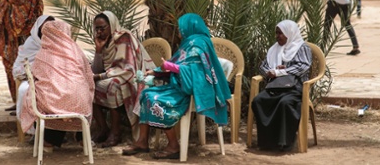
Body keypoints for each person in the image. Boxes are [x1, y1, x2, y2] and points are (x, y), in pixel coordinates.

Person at [122, 13, 232, 159]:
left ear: (189, 27)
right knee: (145, 94)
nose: (179, 31)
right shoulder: (189, 42)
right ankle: (142, 141)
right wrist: (155, 72)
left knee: (154, 99)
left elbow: (197, 72)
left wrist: (170, 66)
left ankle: (173, 145)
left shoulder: (199, 43)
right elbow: (179, 64)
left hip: (192, 90)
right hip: (179, 85)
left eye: (181, 27)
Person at [20, 20, 95, 149]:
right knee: (80, 93)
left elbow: (36, 78)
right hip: (80, 106)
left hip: (52, 105)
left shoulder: (42, 55)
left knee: (37, 95)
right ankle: (82, 139)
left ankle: (48, 141)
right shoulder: (77, 53)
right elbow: (89, 78)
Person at [91, 11, 155, 148]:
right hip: (114, 75)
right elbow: (96, 69)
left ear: (112, 25)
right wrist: (98, 50)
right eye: (97, 28)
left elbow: (127, 69)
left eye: (103, 28)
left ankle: (116, 132)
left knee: (112, 86)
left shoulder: (123, 38)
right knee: (88, 85)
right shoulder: (103, 41)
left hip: (133, 76)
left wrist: (100, 76)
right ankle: (103, 128)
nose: (99, 32)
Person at [251, 19, 312, 151]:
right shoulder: (274, 49)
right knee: (258, 101)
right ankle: (267, 142)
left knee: (285, 103)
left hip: (294, 88)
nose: (277, 36)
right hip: (275, 86)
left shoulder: (302, 47)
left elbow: (304, 66)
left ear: (289, 33)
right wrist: (270, 72)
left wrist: (282, 71)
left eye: (280, 33)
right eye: (276, 33)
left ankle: (284, 142)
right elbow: (263, 66)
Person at [0, 0, 44, 110]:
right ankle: (16, 101)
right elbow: (4, 1)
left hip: (23, 35)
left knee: (24, 67)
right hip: (9, 35)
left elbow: (19, 1)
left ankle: (27, 103)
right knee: (9, 65)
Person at [13, 15, 54, 119]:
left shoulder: (58, 44)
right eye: (45, 28)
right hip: (32, 80)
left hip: (55, 81)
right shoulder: (31, 44)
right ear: (39, 29)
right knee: (24, 91)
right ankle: (33, 128)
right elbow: (17, 69)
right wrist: (37, 68)